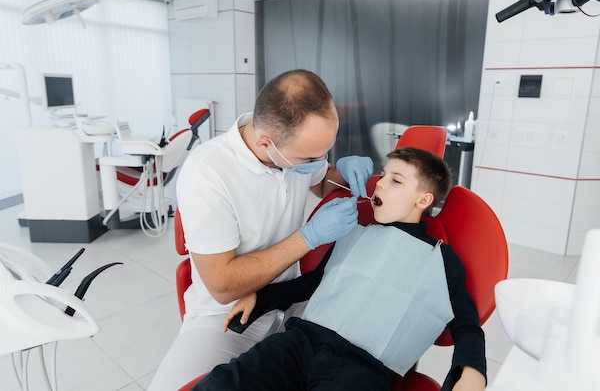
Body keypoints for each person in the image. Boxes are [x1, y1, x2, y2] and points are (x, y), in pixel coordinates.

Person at [148, 69, 373, 390]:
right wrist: (308, 237)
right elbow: (223, 286)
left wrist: (340, 172)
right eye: (311, 156)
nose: (320, 161)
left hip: (296, 300)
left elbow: (322, 178)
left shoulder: (289, 151)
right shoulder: (207, 174)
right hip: (226, 316)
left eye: (325, 152)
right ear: (266, 144)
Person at [192, 147, 487, 391]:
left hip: (361, 366)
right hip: (298, 342)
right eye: (382, 175)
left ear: (423, 200)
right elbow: (312, 283)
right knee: (223, 383)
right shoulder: (353, 233)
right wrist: (261, 297)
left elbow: (466, 326)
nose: (380, 183)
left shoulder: (440, 258)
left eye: (395, 181)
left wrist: (471, 369)